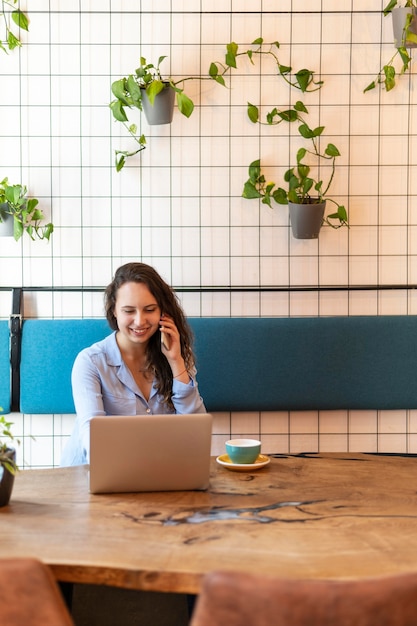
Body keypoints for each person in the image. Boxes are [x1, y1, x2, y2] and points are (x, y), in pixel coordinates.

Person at [61, 262, 206, 466]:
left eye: (149, 309)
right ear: (114, 311)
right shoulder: (90, 362)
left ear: (162, 312)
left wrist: (176, 362)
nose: (140, 321)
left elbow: (194, 433)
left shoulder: (176, 355)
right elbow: (91, 437)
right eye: (129, 310)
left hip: (154, 472)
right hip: (93, 474)